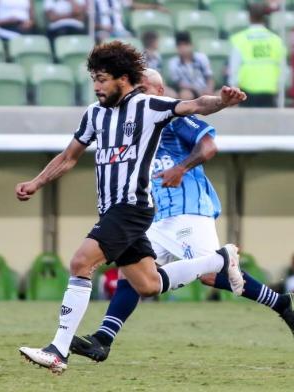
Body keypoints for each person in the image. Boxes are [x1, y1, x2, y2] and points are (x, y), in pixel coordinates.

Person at [16, 41, 246, 375]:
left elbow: (195, 104)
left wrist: (222, 102)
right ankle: (218, 259)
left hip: (132, 207)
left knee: (81, 261)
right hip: (111, 210)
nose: (96, 86)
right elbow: (69, 157)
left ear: (124, 79)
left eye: (103, 79)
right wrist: (37, 182)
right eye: (94, 79)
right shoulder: (95, 114)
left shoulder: (148, 106)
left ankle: (58, 350)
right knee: (148, 285)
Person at [70, 69, 294, 363]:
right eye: (136, 88)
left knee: (212, 275)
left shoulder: (174, 117)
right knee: (133, 273)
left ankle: (281, 304)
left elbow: (209, 145)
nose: (139, 94)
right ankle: (103, 340)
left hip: (189, 210)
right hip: (157, 215)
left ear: (160, 92)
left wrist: (182, 167)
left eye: (145, 88)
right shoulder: (135, 124)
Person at [228, 3, 285, 108]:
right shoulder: (277, 41)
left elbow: (234, 69)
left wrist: (233, 90)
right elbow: (282, 69)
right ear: (265, 17)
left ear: (249, 17)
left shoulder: (239, 39)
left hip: (246, 93)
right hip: (270, 92)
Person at [168, 31, 215, 100]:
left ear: (191, 45)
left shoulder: (201, 57)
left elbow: (209, 77)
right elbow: (178, 84)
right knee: (185, 95)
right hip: (188, 90)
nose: (183, 48)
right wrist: (195, 89)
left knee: (222, 95)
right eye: (180, 45)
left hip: (204, 89)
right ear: (176, 48)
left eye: (185, 45)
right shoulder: (173, 62)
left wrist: (209, 89)